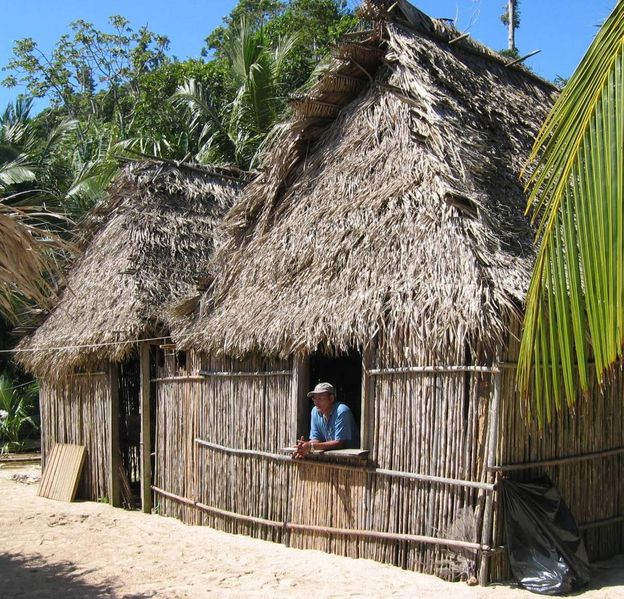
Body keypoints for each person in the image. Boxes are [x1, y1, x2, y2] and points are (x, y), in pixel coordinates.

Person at [293, 382, 359, 459]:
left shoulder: (342, 411)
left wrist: (311, 446)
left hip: (351, 460)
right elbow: (316, 439)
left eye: (320, 398)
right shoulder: (315, 411)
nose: (316, 402)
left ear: (331, 399)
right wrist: (303, 447)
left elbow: (339, 443)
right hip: (331, 459)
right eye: (314, 399)